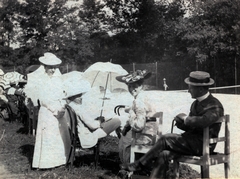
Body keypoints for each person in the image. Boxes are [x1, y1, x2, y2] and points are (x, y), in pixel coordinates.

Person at [125, 71, 224, 179]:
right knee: (164, 153)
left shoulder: (214, 105)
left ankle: (139, 164)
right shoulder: (195, 103)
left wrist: (185, 118)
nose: (188, 90)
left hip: (203, 146)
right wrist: (181, 123)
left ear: (200, 89)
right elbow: (192, 127)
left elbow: (204, 121)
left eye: (190, 87)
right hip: (192, 142)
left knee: (165, 139)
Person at [115, 69, 158, 169]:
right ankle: (138, 164)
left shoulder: (138, 101)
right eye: (130, 86)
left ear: (141, 86)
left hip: (144, 136)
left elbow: (138, 126)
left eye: (135, 86)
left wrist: (131, 112)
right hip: (151, 132)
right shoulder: (144, 96)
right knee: (125, 133)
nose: (132, 89)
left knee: (124, 140)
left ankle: (128, 166)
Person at [32, 52, 68, 169]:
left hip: (59, 110)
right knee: (49, 136)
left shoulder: (58, 80)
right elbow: (43, 99)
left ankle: (60, 160)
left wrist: (62, 107)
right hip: (48, 111)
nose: (52, 70)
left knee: (59, 134)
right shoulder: (42, 80)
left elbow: (62, 94)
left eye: (54, 68)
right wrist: (54, 110)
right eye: (50, 68)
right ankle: (46, 163)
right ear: (45, 67)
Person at [63, 79, 121, 149]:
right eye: (78, 96)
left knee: (108, 119)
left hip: (78, 134)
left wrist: (99, 120)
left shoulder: (69, 107)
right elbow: (93, 126)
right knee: (117, 120)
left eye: (80, 94)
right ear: (71, 97)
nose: (81, 97)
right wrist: (100, 121)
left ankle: (123, 143)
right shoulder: (79, 109)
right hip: (87, 137)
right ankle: (123, 145)